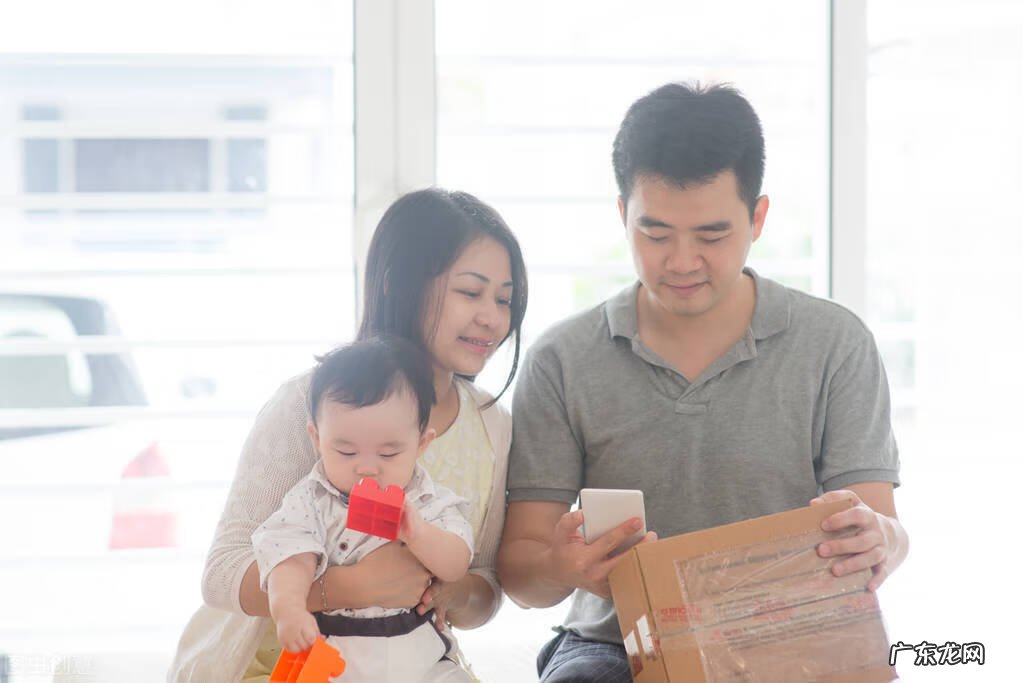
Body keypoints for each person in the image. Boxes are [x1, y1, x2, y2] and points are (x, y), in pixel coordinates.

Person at [497, 82, 909, 682]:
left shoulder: (834, 344)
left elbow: (882, 529)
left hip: (787, 635)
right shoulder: (563, 359)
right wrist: (563, 567)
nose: (682, 261)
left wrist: (879, 542)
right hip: (619, 644)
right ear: (622, 215)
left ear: (758, 217)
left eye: (712, 236)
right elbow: (521, 571)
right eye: (655, 234)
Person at [168, 187, 528, 682]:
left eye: (504, 299)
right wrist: (350, 588)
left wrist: (448, 590)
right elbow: (222, 571)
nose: (493, 318)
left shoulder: (491, 424)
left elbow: (484, 584)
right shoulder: (309, 403)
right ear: (398, 284)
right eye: (471, 292)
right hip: (281, 665)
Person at [253, 337, 473, 681]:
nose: (367, 468)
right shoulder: (310, 501)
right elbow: (289, 556)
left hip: (418, 655)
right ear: (317, 439)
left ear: (421, 444)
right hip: (337, 657)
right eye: (345, 452)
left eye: (388, 454)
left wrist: (419, 534)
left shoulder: (429, 502)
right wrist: (290, 608)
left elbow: (457, 563)